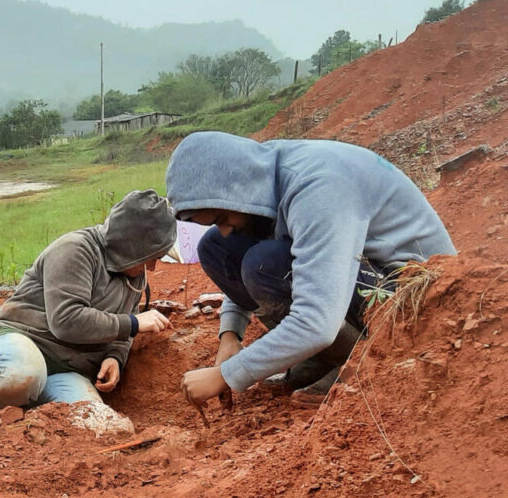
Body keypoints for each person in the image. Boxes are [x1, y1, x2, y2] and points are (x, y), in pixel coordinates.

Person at [166, 131, 456, 407]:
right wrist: (230, 336)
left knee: (265, 265)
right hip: (366, 268)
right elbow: (238, 245)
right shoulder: (263, 174)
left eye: (222, 216)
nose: (225, 229)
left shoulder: (317, 188)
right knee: (216, 248)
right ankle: (323, 355)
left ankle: (360, 360)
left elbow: (317, 321)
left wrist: (225, 375)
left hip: (414, 300)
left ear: (237, 189)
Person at [0, 189, 176, 423]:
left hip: (66, 370)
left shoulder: (134, 274)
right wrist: (132, 323)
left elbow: (124, 328)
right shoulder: (75, 250)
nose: (152, 268)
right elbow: (66, 321)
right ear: (133, 248)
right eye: (152, 258)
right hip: (23, 341)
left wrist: (115, 357)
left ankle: (24, 416)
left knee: (103, 426)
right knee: (19, 376)